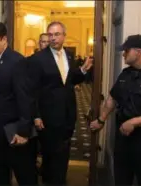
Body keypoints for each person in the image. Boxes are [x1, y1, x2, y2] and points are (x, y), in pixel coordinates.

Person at [90, 34, 141, 186]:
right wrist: (101, 119)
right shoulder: (126, 74)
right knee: (121, 178)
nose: (123, 54)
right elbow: (112, 98)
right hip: (122, 138)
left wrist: (134, 122)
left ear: (138, 52)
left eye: (126, 50)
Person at [27, 21, 93, 185]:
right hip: (47, 115)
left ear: (64, 36)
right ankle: (50, 180)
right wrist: (36, 115)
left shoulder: (69, 55)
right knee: (50, 153)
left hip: (68, 113)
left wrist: (83, 70)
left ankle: (60, 180)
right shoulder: (38, 59)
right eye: (50, 35)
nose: (53, 38)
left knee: (64, 151)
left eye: (57, 34)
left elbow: (69, 80)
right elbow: (32, 90)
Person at [0, 21, 37, 185]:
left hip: (14, 132)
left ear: (4, 39)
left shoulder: (16, 61)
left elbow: (25, 98)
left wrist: (23, 132)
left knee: (24, 175)